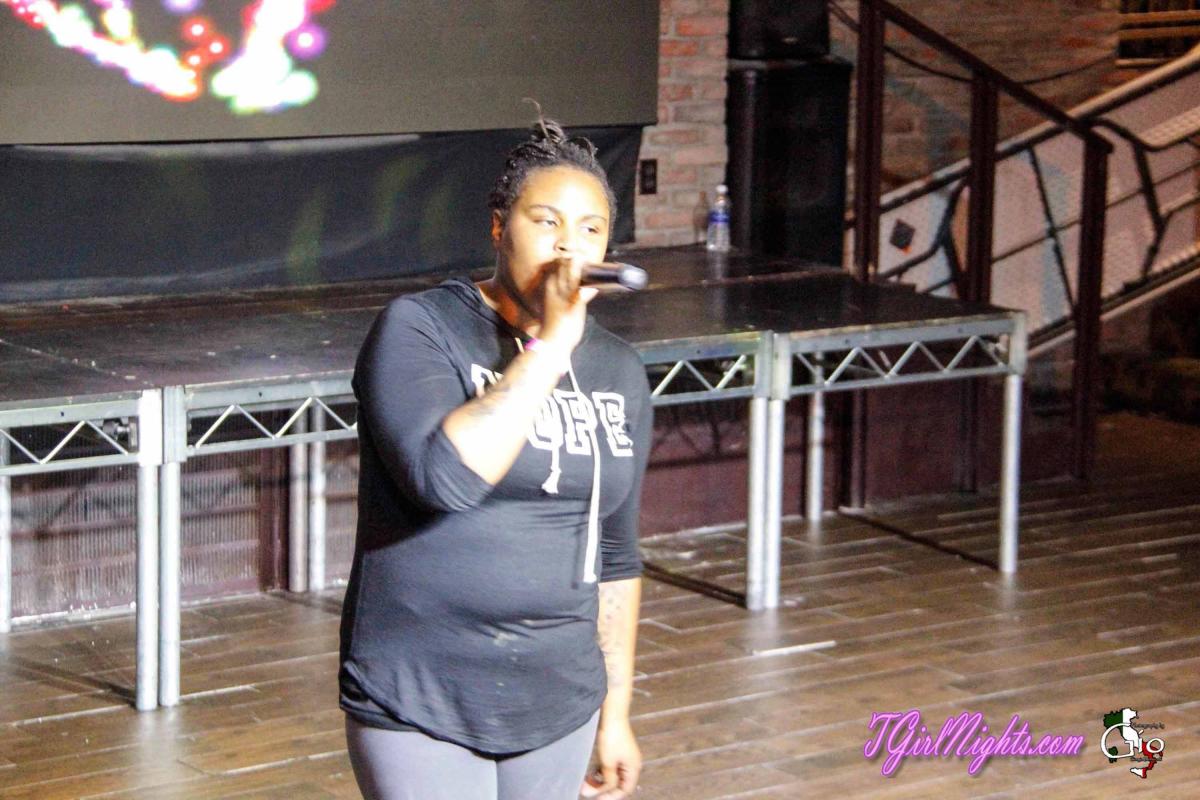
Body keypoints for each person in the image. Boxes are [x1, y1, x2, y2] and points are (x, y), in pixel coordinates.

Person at [339, 117, 652, 800]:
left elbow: (615, 552)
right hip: (422, 694)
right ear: (498, 227)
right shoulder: (421, 328)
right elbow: (443, 478)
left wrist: (615, 713)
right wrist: (551, 346)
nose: (569, 245)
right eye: (547, 221)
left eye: (591, 229)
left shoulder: (620, 370)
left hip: (560, 697)